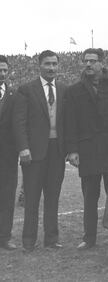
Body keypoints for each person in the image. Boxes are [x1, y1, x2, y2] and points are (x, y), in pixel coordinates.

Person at [65, 48, 108, 250]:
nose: (88, 64)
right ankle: (89, 238)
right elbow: (70, 123)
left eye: (92, 61)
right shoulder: (74, 90)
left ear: (102, 63)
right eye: (86, 61)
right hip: (88, 150)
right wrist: (73, 150)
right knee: (90, 197)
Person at [13, 50, 66, 252]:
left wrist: (69, 150)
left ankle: (52, 239)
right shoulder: (27, 89)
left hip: (57, 152)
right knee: (32, 198)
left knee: (53, 197)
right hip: (33, 153)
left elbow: (67, 122)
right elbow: (19, 122)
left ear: (58, 66)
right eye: (47, 64)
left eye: (54, 64)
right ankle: (28, 240)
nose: (51, 67)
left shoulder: (63, 89)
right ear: (39, 66)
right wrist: (23, 148)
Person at [0, 55, 18, 250]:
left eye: (5, 70)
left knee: (6, 196)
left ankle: (4, 236)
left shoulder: (14, 94)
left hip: (7, 156)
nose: (3, 74)